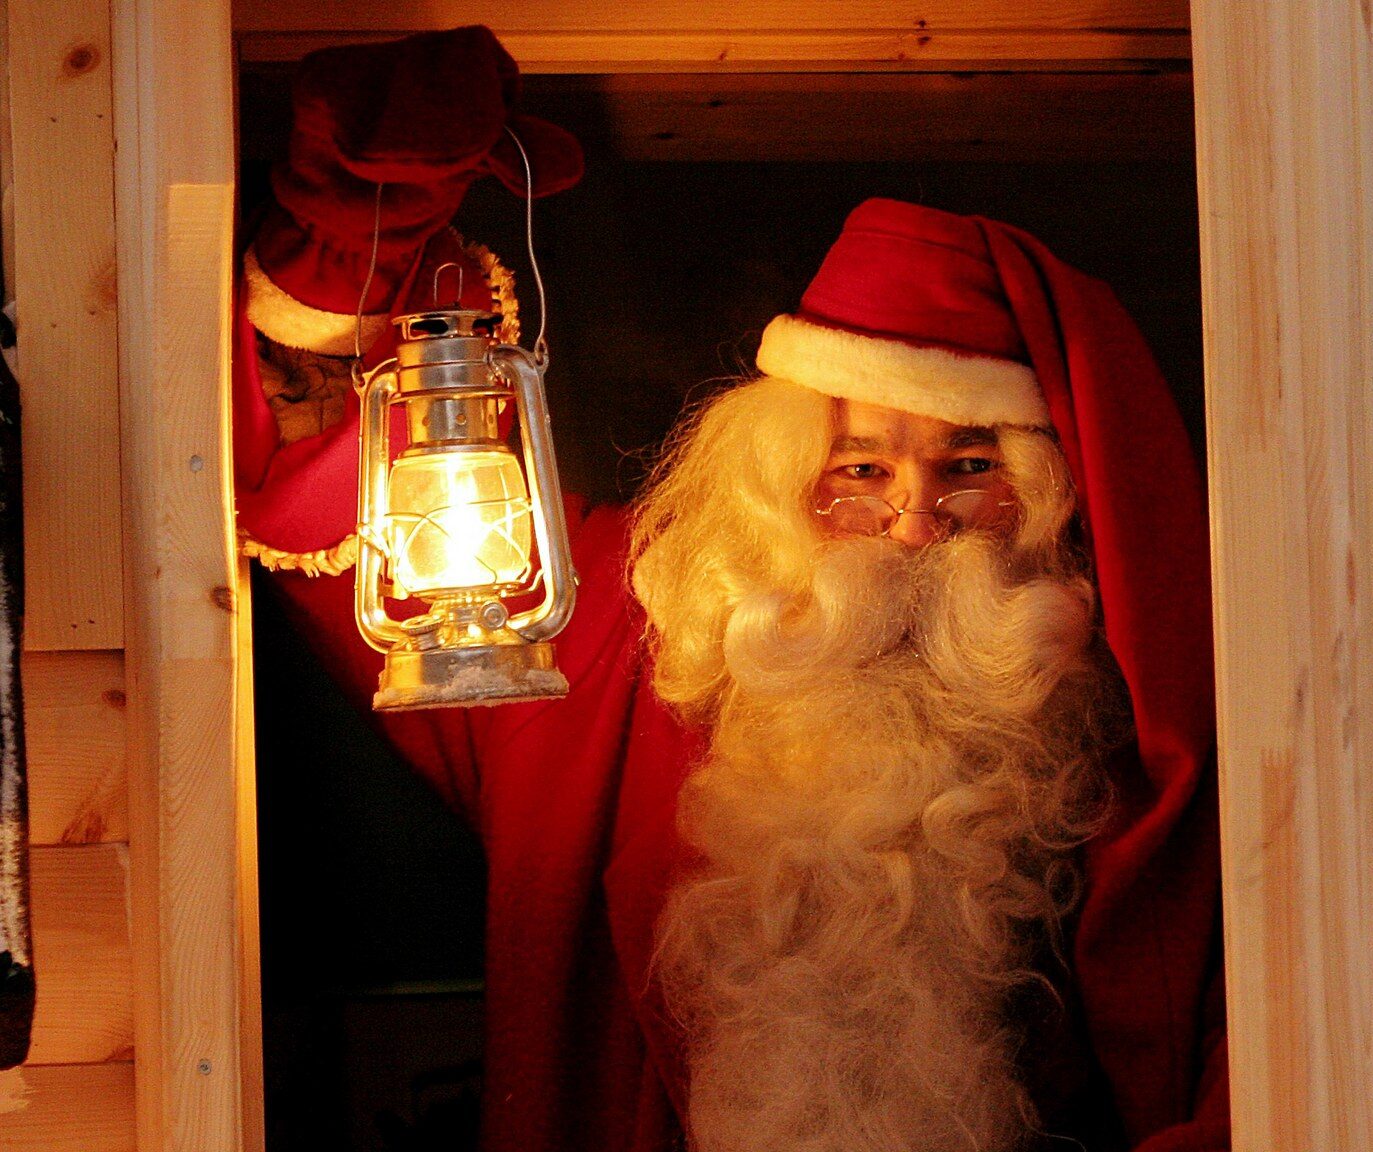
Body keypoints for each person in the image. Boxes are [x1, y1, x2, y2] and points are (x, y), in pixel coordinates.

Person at [236, 26, 1227, 1152]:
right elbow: (346, 499)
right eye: (862, 471)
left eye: (967, 468)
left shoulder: (1127, 747)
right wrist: (356, 235)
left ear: (1045, 497)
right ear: (779, 482)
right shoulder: (614, 640)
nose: (914, 523)